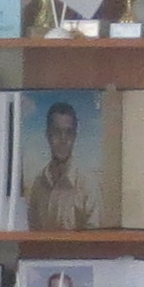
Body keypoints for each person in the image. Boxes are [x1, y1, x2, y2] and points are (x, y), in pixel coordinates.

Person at [22, 98, 100, 234]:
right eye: (57, 132)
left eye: (68, 133)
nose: (63, 140)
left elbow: (96, 237)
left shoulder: (88, 185)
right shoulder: (39, 183)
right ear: (48, 135)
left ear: (75, 136)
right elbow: (32, 231)